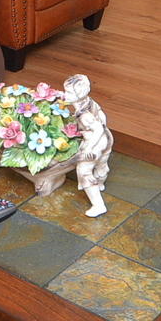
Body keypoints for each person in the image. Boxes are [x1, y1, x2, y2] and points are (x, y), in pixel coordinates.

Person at [63, 74, 112, 217]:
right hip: (106, 138)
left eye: (69, 92)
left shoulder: (84, 115)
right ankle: (100, 183)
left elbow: (98, 129)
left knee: (84, 171)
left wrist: (89, 147)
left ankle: (98, 205)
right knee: (101, 163)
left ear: (79, 94)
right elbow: (102, 116)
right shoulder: (89, 102)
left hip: (94, 142)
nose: (65, 95)